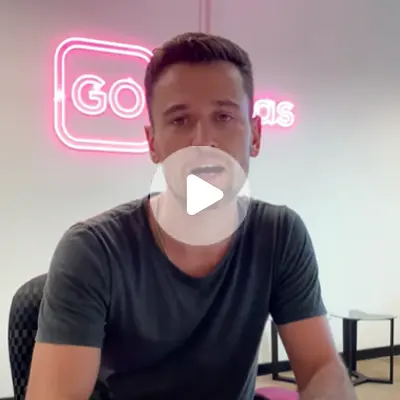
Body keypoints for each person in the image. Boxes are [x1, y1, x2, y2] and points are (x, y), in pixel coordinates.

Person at [26, 32, 356, 400]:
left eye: (224, 116)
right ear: (153, 143)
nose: (203, 140)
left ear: (255, 135)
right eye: (180, 120)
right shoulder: (94, 250)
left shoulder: (278, 235)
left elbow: (321, 367)